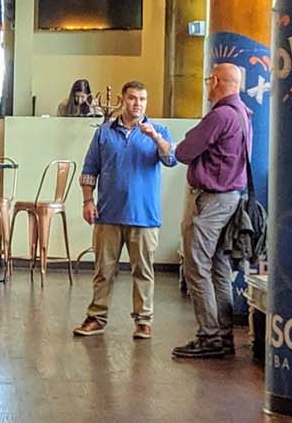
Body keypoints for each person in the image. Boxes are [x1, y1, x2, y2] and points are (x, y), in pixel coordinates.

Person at [71, 81, 176, 341]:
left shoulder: (159, 131)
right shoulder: (104, 133)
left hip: (144, 216)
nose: (137, 103)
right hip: (108, 214)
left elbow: (171, 159)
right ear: (122, 99)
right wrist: (87, 201)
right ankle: (96, 317)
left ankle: (144, 321)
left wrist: (155, 137)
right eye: (132, 98)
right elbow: (89, 169)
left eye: (142, 99)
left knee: (143, 271)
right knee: (103, 270)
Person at [171, 62, 251, 359]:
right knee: (219, 267)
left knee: (196, 266)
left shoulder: (219, 116)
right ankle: (223, 334)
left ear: (215, 81)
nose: (207, 85)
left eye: (208, 80)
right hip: (231, 198)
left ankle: (209, 336)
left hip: (211, 201)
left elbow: (183, 152)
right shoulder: (243, 114)